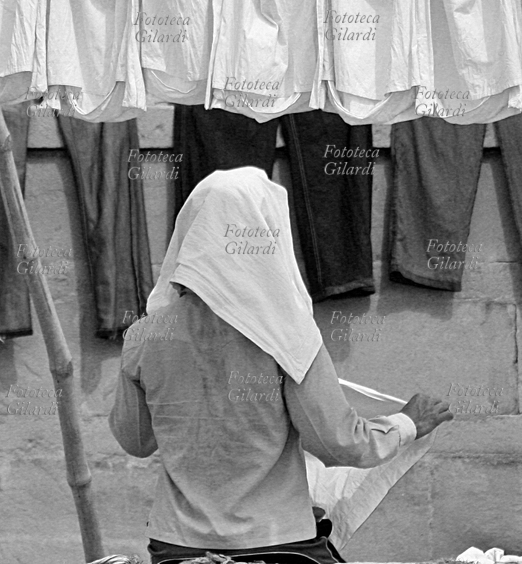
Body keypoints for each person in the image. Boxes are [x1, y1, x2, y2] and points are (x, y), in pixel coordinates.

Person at [109, 167, 452, 564]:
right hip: (277, 544)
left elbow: (136, 441)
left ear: (191, 232)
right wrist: (408, 423)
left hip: (175, 545)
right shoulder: (285, 333)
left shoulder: (146, 334)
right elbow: (339, 443)